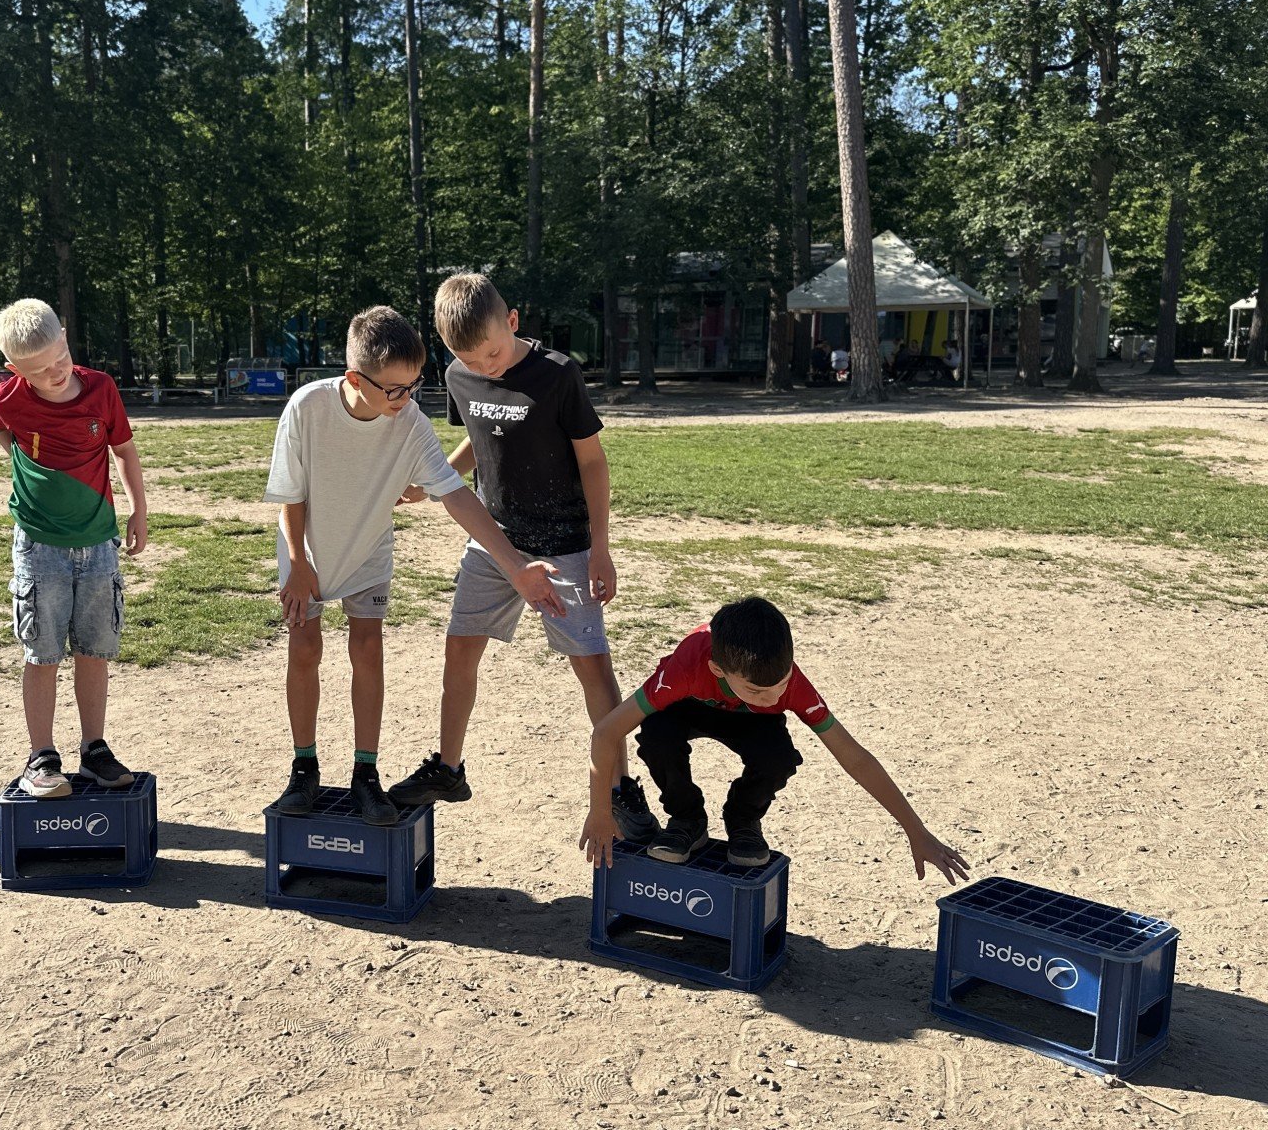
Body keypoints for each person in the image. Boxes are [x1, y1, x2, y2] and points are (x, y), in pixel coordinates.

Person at [266, 305, 566, 825]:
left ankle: (366, 773)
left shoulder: (409, 423)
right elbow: (291, 493)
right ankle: (303, 769)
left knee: (367, 649)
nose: (405, 399)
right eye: (394, 390)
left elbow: (456, 496)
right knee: (305, 649)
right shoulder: (307, 407)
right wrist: (297, 562)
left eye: (414, 386)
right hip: (306, 552)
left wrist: (516, 568)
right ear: (354, 379)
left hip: (368, 551)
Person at [386, 274, 655, 838]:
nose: (485, 367)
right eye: (470, 360)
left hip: (565, 545)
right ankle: (448, 769)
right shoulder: (460, 375)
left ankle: (621, 789)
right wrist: (436, 480)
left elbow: (593, 462)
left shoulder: (557, 374)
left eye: (493, 353)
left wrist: (600, 548)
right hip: (495, 541)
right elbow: (479, 437)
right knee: (459, 649)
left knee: (591, 665)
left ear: (511, 323)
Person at [579, 596, 970, 883]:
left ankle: (743, 819)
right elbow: (607, 730)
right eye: (756, 689)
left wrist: (915, 830)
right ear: (718, 669)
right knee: (657, 735)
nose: (771, 696)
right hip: (690, 706)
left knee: (778, 756)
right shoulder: (686, 667)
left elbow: (855, 758)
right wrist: (601, 811)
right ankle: (687, 818)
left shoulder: (790, 685)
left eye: (780, 685)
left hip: (752, 722)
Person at [0, 298, 149, 799]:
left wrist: (138, 509)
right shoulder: (6, 400)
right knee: (43, 652)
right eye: (39, 370)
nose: (55, 373)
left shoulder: (101, 388)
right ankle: (41, 757)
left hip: (98, 543)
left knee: (94, 651)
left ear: (65, 338)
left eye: (60, 358)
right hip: (39, 547)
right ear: (14, 369)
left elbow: (123, 450)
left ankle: (94, 749)